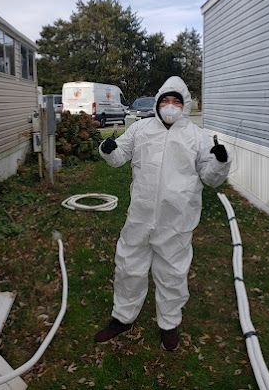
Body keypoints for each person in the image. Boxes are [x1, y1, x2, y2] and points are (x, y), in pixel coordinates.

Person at [95, 76, 231, 351]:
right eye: (166, 100)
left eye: (176, 101)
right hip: (141, 215)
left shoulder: (197, 136)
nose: (170, 105)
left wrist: (219, 160)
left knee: (172, 272)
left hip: (176, 219)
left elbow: (210, 177)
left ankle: (169, 323)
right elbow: (120, 155)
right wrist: (108, 150)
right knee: (128, 265)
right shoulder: (141, 129)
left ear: (185, 105)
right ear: (158, 102)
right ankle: (122, 317)